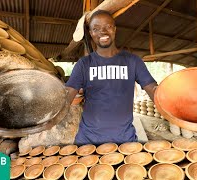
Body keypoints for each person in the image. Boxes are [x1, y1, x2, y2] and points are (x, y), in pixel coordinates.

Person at [66, 10, 157, 145]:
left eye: (107, 26)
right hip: (88, 141)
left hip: (124, 140)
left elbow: (155, 92)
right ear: (91, 33)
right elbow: (66, 96)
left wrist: (176, 106)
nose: (102, 32)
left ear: (114, 29)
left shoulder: (132, 61)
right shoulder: (84, 64)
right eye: (96, 29)